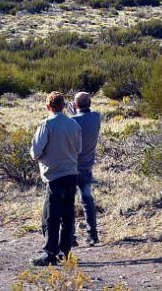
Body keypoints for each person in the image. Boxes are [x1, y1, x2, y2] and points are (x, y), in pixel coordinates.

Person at [30, 91, 82, 266]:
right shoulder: (74, 125)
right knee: (67, 215)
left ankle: (50, 253)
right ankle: (64, 252)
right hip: (71, 173)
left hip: (54, 175)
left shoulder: (46, 125)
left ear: (48, 107)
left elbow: (36, 152)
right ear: (63, 106)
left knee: (50, 216)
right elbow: (78, 149)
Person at [71, 91, 101, 246]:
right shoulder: (97, 117)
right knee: (87, 200)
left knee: (68, 202)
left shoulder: (72, 121)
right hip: (87, 167)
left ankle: (71, 237)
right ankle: (92, 234)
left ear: (75, 105)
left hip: (71, 167)